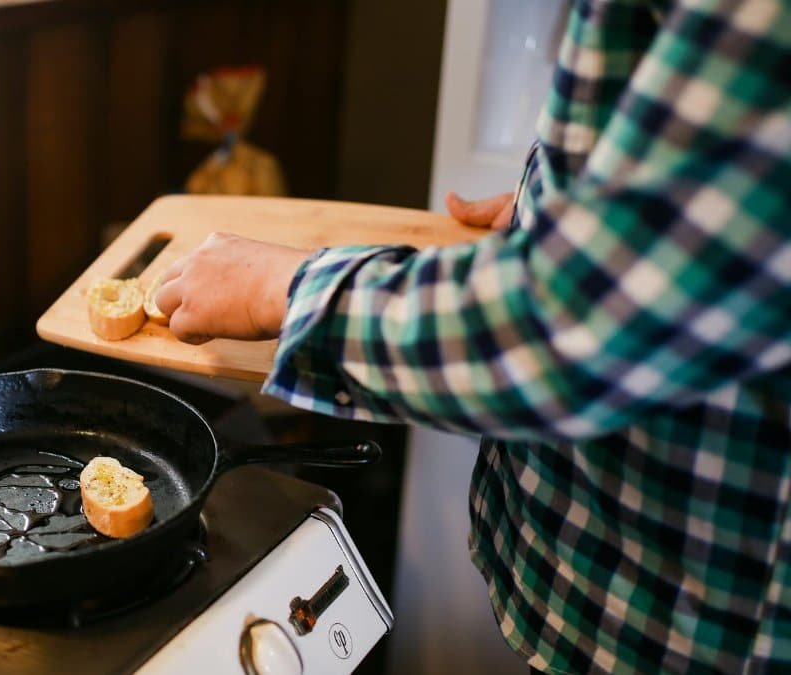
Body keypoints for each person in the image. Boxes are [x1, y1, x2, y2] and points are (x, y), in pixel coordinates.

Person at [154, 0, 791, 672]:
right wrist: (570, 209)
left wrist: (280, 289)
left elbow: (574, 322)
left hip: (684, 622)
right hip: (605, 574)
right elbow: (721, 217)